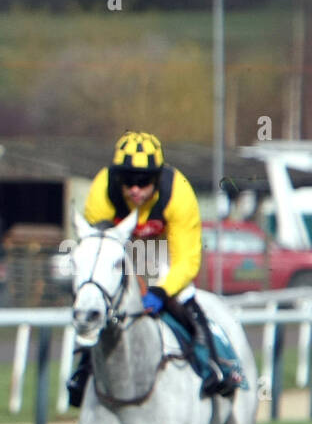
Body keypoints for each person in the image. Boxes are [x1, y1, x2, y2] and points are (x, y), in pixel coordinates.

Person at [67, 131, 239, 406]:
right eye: (128, 180)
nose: (135, 189)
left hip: (165, 252)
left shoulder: (178, 192)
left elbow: (187, 260)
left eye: (144, 181)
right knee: (102, 302)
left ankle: (217, 365)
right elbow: (96, 251)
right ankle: (83, 372)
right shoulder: (102, 190)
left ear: (157, 178)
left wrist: (161, 291)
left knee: (185, 298)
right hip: (121, 252)